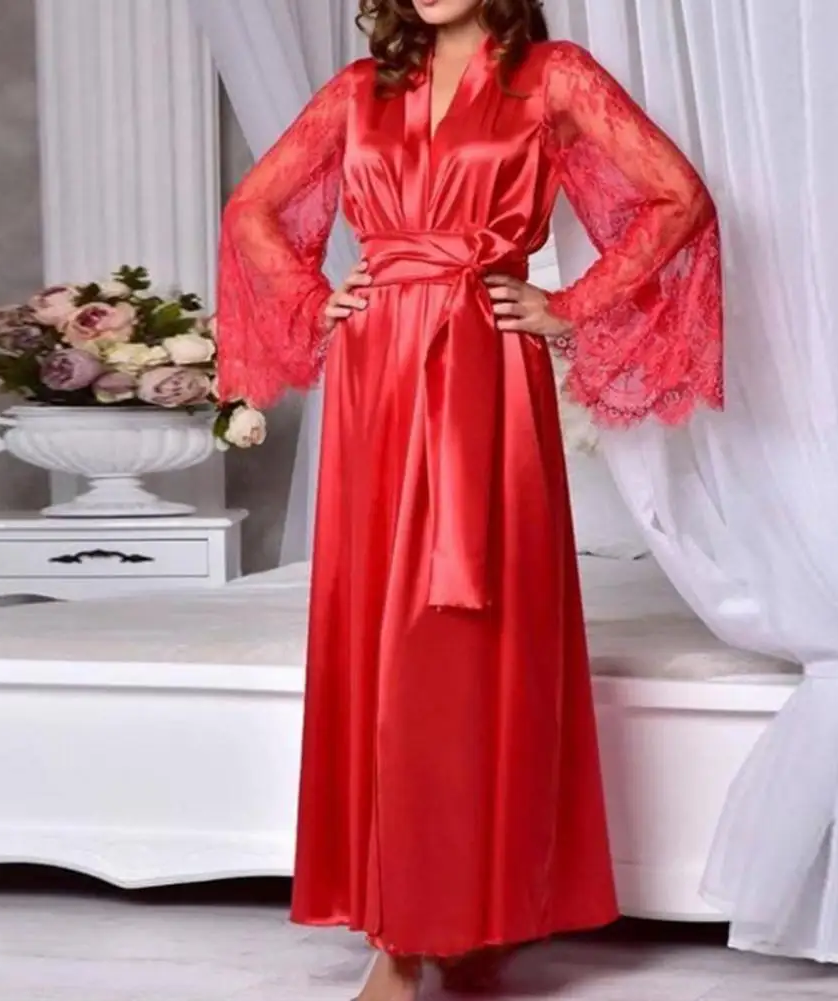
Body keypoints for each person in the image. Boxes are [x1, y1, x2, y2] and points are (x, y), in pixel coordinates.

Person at [216, 0, 722, 997]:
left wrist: (569, 305)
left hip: (486, 366)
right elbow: (252, 210)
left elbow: (676, 197)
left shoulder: (555, 76)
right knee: (383, 630)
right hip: (375, 375)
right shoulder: (360, 91)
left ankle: (481, 909)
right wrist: (316, 300)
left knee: (476, 625)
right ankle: (399, 931)